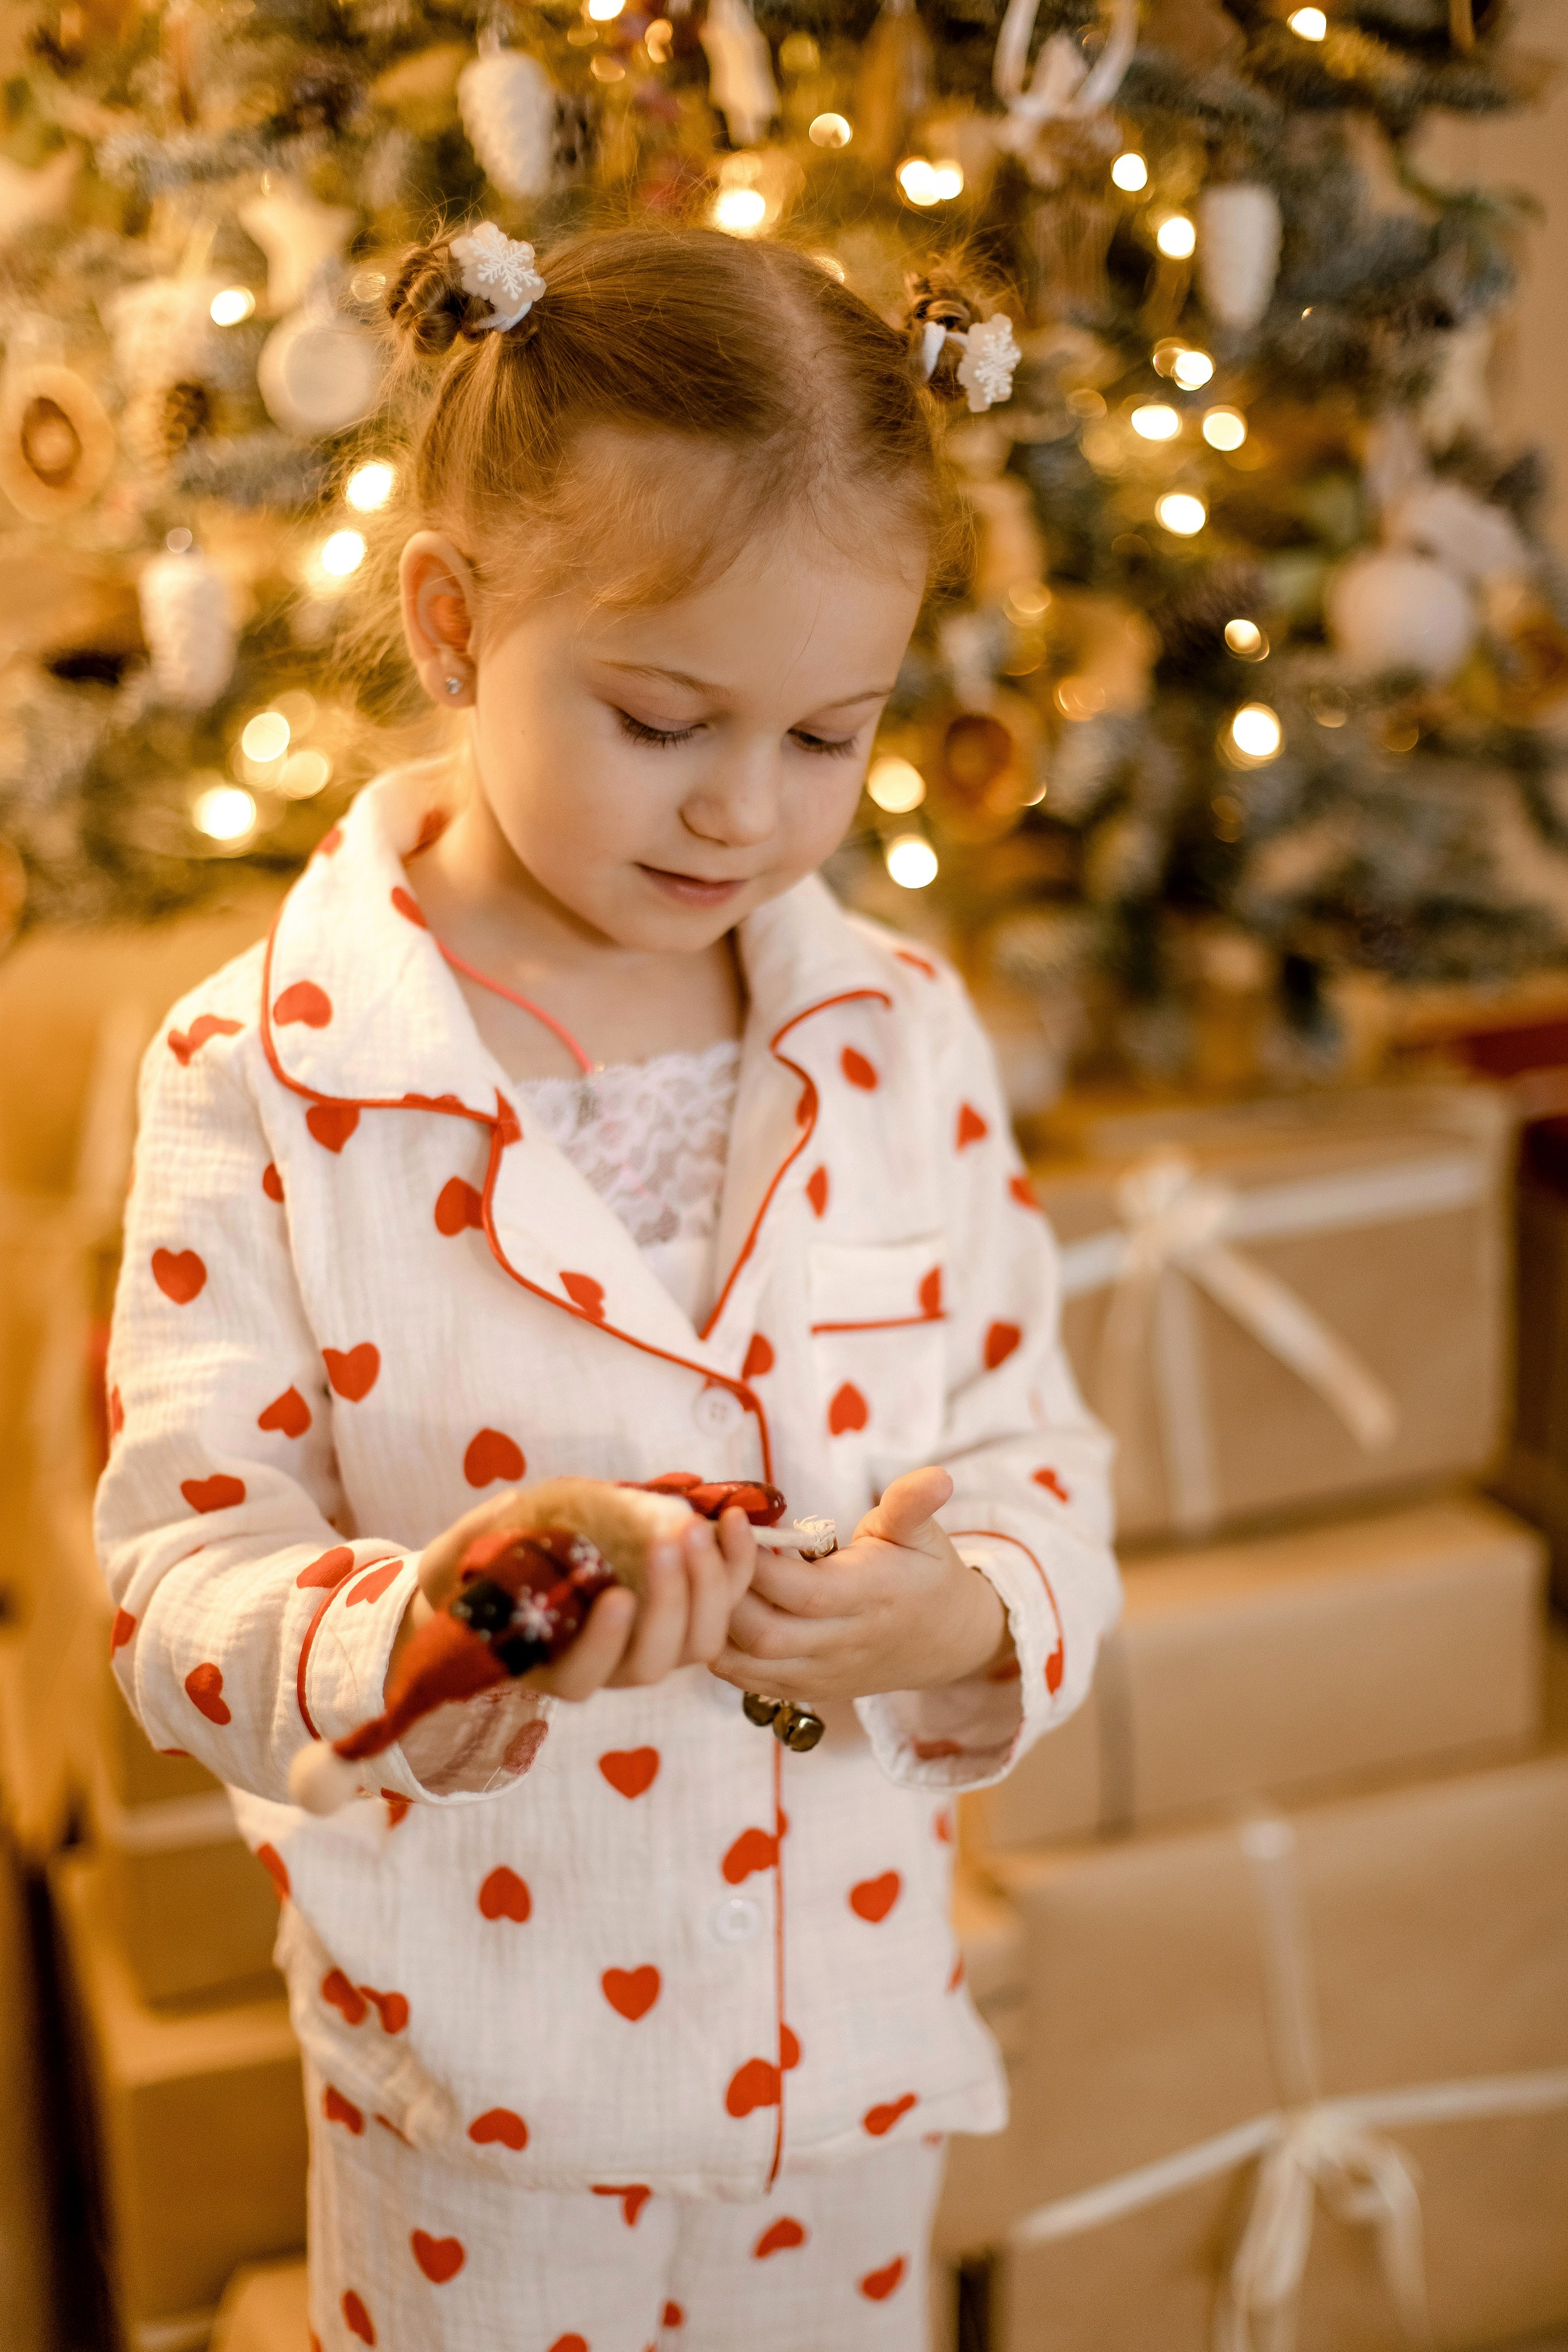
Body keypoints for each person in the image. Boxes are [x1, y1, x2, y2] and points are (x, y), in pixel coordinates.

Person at [96, 221, 1118, 2352]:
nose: (753, 810)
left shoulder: (898, 1033)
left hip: (845, 2070)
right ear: (457, 626)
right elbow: (172, 1591)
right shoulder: (262, 1072)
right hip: (479, 2085)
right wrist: (425, 1627)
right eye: (665, 722)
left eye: (832, 736)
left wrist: (958, 1616)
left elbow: (1038, 1454)